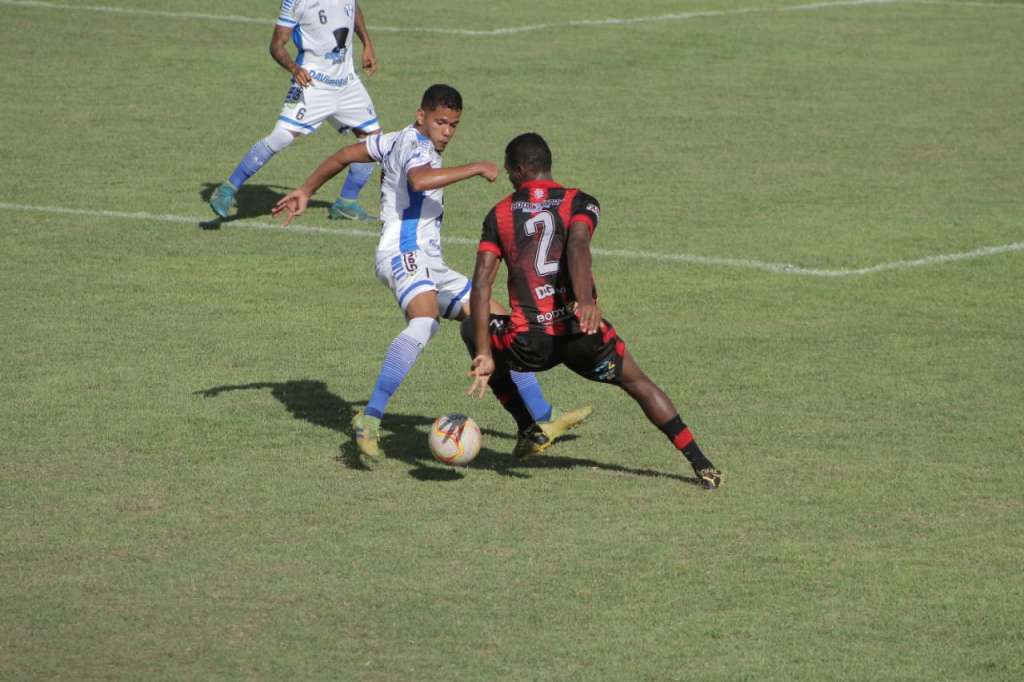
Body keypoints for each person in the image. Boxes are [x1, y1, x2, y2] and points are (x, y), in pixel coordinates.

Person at [273, 86, 591, 458]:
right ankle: (370, 418)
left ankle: (542, 418)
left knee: (499, 323)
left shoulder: (394, 140)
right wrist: (474, 168)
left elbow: (346, 154)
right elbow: (418, 181)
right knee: (424, 323)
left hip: (430, 263)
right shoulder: (417, 148)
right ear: (421, 115)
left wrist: (307, 189)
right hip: (403, 253)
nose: (447, 132)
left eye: (453, 125)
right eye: (440, 122)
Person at [464, 133, 724, 490]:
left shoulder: (500, 213)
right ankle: (702, 463)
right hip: (582, 331)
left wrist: (483, 352)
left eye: (511, 171)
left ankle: (528, 427)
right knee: (639, 384)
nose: (510, 178)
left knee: (468, 327)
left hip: (529, 342)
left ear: (521, 170)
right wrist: (585, 300)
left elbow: (481, 285)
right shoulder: (580, 202)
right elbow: (578, 245)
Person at [209, 0, 381, 221]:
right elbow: (277, 45)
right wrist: (294, 68)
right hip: (312, 83)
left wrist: (367, 43)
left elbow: (353, 8)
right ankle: (227, 190)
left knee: (372, 142)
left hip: (348, 83)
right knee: (281, 137)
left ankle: (346, 203)